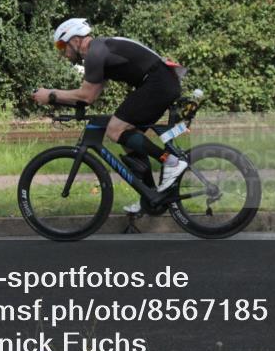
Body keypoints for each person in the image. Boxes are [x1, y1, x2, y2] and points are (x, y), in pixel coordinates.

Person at [31, 17, 187, 213]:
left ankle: (171, 161)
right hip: (159, 83)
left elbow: (85, 95)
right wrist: (54, 98)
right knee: (127, 139)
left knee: (115, 130)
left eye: (62, 45)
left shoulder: (95, 53)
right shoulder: (99, 51)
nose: (63, 53)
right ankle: (150, 196)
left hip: (158, 84)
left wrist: (51, 94)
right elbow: (90, 97)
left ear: (75, 39)